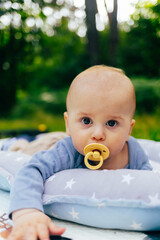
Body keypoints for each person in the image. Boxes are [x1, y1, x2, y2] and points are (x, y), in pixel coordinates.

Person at [7, 65, 152, 240]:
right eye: (86, 121)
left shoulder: (133, 152)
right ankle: (14, 143)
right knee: (27, 148)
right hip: (51, 144)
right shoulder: (67, 151)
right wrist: (27, 212)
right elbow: (31, 169)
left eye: (111, 123)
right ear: (68, 124)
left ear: (129, 129)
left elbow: (148, 183)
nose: (97, 134)